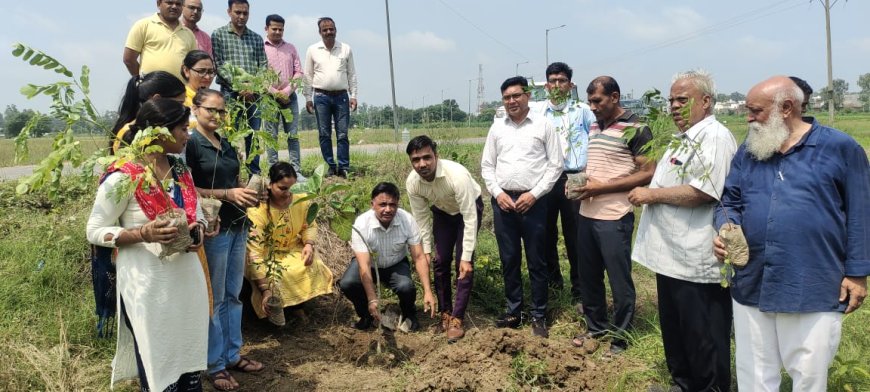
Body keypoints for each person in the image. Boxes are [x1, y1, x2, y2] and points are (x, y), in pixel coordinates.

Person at [714, 76, 869, 392]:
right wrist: (725, 228)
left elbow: (861, 214)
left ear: (786, 108)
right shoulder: (750, 150)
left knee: (808, 375)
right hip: (752, 280)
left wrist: (857, 274)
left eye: (755, 110)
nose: (748, 118)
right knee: (754, 372)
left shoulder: (840, 148)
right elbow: (728, 201)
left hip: (811, 282)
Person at [86, 98, 208, 391]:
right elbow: (94, 230)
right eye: (182, 129)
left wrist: (200, 229)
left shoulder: (180, 170)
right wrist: (142, 234)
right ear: (160, 133)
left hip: (187, 281)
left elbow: (197, 210)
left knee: (188, 353)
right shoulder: (124, 177)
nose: (187, 135)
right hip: (148, 288)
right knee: (158, 360)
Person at [630, 70, 737, 391]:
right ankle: (682, 384)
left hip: (696, 260)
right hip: (672, 257)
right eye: (671, 100)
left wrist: (650, 194)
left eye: (682, 99)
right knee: (677, 332)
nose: (674, 106)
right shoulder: (684, 137)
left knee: (703, 336)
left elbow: (705, 191)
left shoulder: (714, 138)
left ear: (706, 101)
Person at [185, 88, 263, 391]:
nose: (216, 116)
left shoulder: (227, 144)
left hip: (237, 223)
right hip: (214, 228)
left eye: (221, 111)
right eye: (210, 110)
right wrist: (228, 194)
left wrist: (247, 192)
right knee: (215, 298)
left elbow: (234, 182)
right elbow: (188, 190)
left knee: (234, 293)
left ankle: (233, 354)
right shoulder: (191, 145)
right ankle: (215, 364)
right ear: (195, 109)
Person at [569, 76, 653, 354]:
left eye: (598, 101)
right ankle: (596, 327)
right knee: (589, 276)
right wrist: (584, 183)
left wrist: (601, 187)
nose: (592, 106)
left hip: (615, 215)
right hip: (588, 212)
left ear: (615, 97)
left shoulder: (636, 128)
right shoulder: (595, 124)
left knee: (619, 279)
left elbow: (648, 172)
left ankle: (621, 336)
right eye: (590, 101)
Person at [481, 76, 562, 338]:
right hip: (503, 203)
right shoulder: (497, 128)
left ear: (527, 96)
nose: (512, 101)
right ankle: (514, 311)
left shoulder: (543, 125)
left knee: (537, 260)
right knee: (510, 259)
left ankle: (539, 314)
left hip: (534, 203)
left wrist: (535, 194)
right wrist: (497, 193)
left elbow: (555, 165)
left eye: (516, 96)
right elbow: (487, 166)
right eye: (506, 97)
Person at [405, 135, 483, 342]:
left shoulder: (456, 176)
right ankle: (445, 312)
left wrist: (466, 256)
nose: (422, 164)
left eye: (426, 157)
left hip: (468, 210)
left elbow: (469, 216)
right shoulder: (413, 183)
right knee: (439, 261)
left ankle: (457, 318)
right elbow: (421, 219)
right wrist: (426, 252)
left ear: (436, 156)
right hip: (442, 212)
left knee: (462, 264)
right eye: (416, 160)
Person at [339, 182, 436, 331]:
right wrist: (372, 299)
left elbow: (419, 257)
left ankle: (409, 314)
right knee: (348, 284)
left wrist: (428, 291)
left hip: (396, 264)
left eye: (392, 205)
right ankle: (366, 315)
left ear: (398, 204)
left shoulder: (407, 220)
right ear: (373, 204)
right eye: (382, 204)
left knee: (406, 287)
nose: (388, 209)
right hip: (370, 265)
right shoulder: (362, 223)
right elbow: (363, 265)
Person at [537, 62, 595, 304]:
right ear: (547, 85)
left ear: (571, 85)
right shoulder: (539, 113)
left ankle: (580, 290)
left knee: (576, 235)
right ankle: (553, 283)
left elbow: (595, 138)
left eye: (562, 80)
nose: (557, 85)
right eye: (552, 81)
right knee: (546, 233)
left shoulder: (582, 111)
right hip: (547, 178)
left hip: (575, 176)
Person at [245, 162, 334, 321]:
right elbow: (254, 253)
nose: (288, 194)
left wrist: (308, 243)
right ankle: (273, 311)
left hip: (292, 249)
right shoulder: (257, 211)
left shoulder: (300, 200)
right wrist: (265, 290)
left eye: (291, 188)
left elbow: (309, 224)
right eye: (282, 188)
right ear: (270, 184)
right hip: (266, 255)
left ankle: (298, 306)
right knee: (277, 276)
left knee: (312, 265)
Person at [211, 0, 267, 174]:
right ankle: (231, 173)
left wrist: (254, 88)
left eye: (245, 13)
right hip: (230, 93)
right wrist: (239, 87)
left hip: (254, 95)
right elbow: (219, 65)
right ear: (229, 12)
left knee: (254, 134)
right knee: (230, 133)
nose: (242, 16)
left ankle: (254, 173)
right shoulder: (218, 35)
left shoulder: (256, 38)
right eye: (238, 12)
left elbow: (263, 66)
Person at [303, 17, 358, 178]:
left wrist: (354, 95)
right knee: (324, 134)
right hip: (320, 97)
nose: (328, 32)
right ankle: (330, 166)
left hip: (342, 97)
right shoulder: (312, 50)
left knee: (342, 134)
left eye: (331, 29)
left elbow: (352, 74)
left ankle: (343, 167)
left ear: (336, 30)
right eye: (325, 29)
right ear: (320, 32)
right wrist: (307, 97)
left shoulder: (345, 49)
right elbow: (308, 75)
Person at [263, 14, 305, 179]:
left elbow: (299, 72)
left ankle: (296, 171)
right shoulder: (261, 48)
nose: (278, 32)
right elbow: (259, 74)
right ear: (266, 29)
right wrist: (275, 92)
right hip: (269, 99)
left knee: (292, 135)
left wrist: (286, 92)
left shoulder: (291, 48)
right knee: (270, 136)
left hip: (290, 99)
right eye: (274, 29)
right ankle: (274, 172)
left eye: (281, 29)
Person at [112, 71, 186, 153]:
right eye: (179, 104)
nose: (183, 109)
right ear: (157, 99)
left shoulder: (159, 129)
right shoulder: (129, 133)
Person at [123, 0, 195, 81]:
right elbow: (129, 59)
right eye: (170, 3)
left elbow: (194, 65)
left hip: (181, 91)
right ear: (158, 3)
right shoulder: (143, 25)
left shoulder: (189, 34)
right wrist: (142, 81)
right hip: (149, 90)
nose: (174, 6)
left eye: (178, 4)